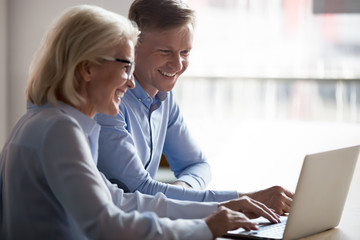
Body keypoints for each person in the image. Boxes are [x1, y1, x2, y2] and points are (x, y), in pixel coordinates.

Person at [0, 4, 281, 239]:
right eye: (125, 66)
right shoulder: (60, 130)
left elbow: (122, 200)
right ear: (87, 68)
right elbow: (105, 224)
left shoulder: (50, 122)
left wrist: (218, 208)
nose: (131, 80)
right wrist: (205, 227)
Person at [95, 0, 293, 215]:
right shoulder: (108, 102)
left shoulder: (164, 98)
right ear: (133, 45)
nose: (178, 65)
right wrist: (244, 199)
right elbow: (139, 189)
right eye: (165, 51)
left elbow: (197, 164)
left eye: (185, 52)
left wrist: (181, 192)